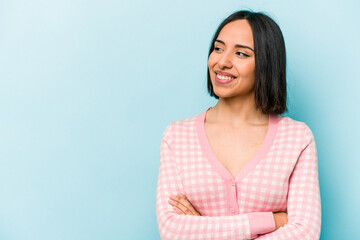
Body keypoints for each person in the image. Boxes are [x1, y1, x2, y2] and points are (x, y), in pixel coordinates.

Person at [156, 10, 321, 239]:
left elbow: (304, 232)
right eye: (218, 48)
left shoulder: (297, 139)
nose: (222, 62)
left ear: (266, 64)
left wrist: (203, 228)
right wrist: (272, 220)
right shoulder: (177, 137)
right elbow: (172, 230)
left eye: (241, 53)